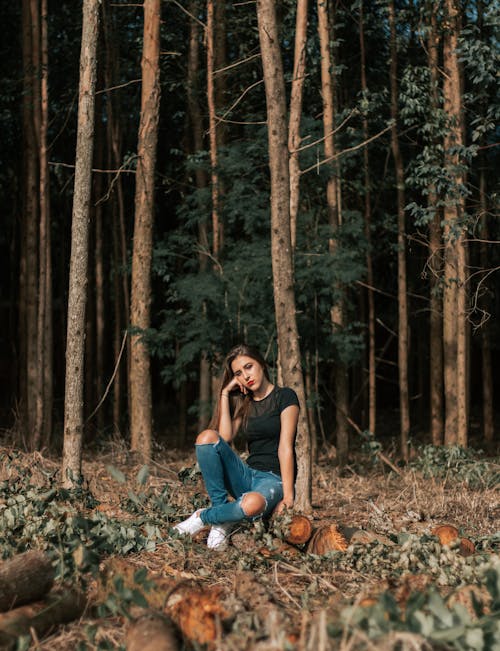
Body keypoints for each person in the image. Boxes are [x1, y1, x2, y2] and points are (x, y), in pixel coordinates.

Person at [173, 343, 300, 550]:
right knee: (206, 437)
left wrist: (288, 497)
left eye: (249, 367)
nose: (246, 376)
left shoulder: (285, 397)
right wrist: (224, 393)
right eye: (238, 373)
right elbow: (223, 438)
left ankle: (203, 517)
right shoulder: (246, 403)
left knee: (251, 505)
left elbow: (285, 447)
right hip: (247, 475)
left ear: (261, 363)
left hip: (273, 481)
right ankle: (221, 519)